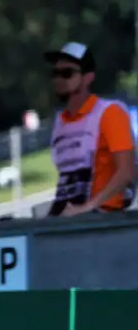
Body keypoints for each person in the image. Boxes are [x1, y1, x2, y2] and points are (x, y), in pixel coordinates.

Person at [44, 42, 135, 216]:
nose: (59, 80)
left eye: (67, 73)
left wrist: (88, 207)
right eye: (55, 74)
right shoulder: (60, 122)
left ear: (88, 77)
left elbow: (127, 172)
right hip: (69, 220)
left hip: (102, 220)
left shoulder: (110, 113)